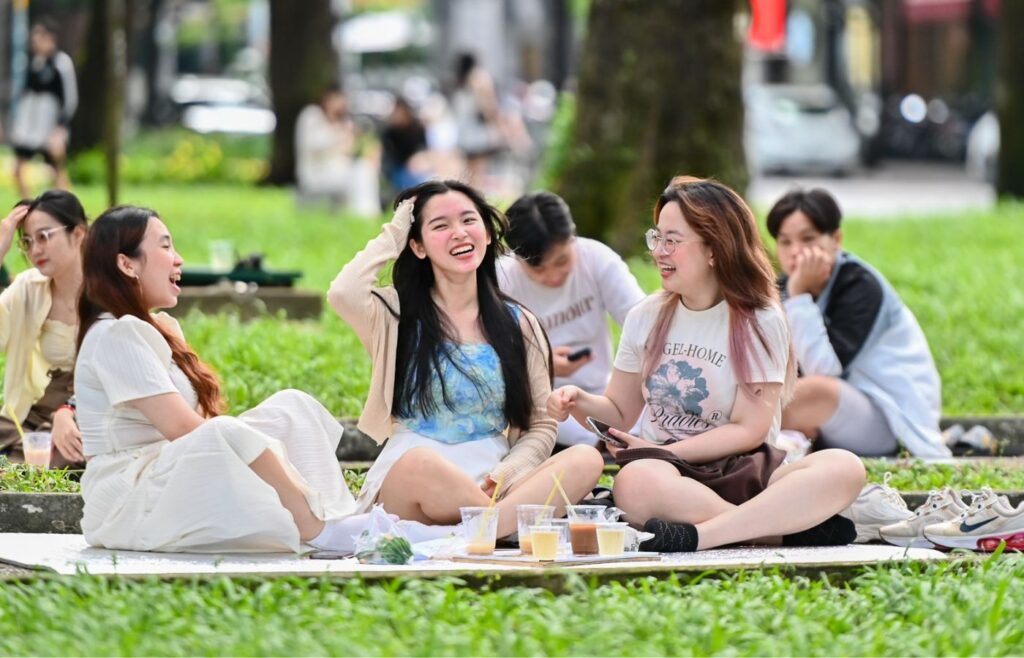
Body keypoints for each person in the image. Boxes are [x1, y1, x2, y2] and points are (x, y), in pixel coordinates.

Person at [548, 176, 866, 552]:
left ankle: (703, 536)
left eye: (672, 241)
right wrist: (578, 401)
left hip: (743, 471)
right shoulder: (645, 316)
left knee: (845, 467)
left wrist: (664, 451)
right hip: (669, 477)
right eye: (657, 238)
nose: (659, 252)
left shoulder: (759, 320)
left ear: (714, 248)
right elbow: (619, 411)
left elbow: (748, 430)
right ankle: (775, 528)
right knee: (633, 483)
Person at [74, 205, 389, 553]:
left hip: (168, 473)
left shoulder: (152, 328)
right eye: (165, 247)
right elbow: (183, 428)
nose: (178, 260)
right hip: (128, 500)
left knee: (290, 408)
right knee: (225, 431)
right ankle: (315, 529)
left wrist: (262, 447)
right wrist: (261, 451)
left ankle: (334, 517)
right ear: (126, 264)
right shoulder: (114, 334)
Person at [328, 180, 604, 538]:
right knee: (422, 465)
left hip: (492, 479)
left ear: (487, 235)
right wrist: (396, 231)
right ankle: (496, 529)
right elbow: (343, 292)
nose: (459, 233)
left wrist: (510, 471)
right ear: (418, 246)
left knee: (586, 458)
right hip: (415, 479)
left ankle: (471, 532)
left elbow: (541, 424)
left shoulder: (518, 324)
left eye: (468, 220)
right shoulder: (394, 313)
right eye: (440, 226)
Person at [765, 188, 948, 458]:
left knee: (813, 391)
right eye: (785, 242)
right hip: (834, 417)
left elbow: (824, 371)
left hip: (892, 420)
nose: (796, 252)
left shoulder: (859, 285)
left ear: (836, 239)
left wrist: (800, 296)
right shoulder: (782, 288)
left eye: (808, 239)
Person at [497, 191, 645, 448]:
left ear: (572, 237)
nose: (553, 277)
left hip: (600, 392)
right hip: (541, 401)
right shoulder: (502, 280)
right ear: (516, 257)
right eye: (538, 269)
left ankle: (611, 442)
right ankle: (607, 444)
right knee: (545, 426)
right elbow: (488, 355)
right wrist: (541, 362)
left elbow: (644, 326)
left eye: (562, 261)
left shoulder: (596, 259)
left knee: (651, 415)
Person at [0, 190, 87, 467]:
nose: (35, 249)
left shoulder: (110, 290)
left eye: (44, 236)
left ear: (78, 234)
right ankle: (23, 456)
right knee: (34, 450)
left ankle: (23, 461)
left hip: (86, 413)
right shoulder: (28, 288)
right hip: (28, 415)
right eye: (26, 241)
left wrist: (68, 411)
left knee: (67, 449)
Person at [9, 19, 78, 199]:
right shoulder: (34, 63)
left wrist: (60, 128)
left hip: (50, 126)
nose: (35, 40)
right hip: (30, 127)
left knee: (56, 169)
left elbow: (69, 98)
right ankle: (28, 205)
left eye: (40, 35)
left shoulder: (61, 63)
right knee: (18, 169)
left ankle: (68, 208)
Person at [294, 84, 378, 215]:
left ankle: (367, 212)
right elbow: (314, 145)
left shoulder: (343, 122)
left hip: (338, 171)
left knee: (364, 167)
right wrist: (339, 132)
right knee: (360, 172)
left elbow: (348, 152)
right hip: (315, 174)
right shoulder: (312, 115)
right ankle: (365, 214)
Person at [451, 53, 503, 187]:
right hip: (477, 132)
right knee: (479, 173)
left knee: (469, 173)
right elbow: (489, 107)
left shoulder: (459, 81)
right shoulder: (479, 79)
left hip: (464, 133)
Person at [380, 96, 430, 194]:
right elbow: (388, 156)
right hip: (397, 169)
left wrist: (417, 160)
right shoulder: (390, 133)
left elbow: (423, 150)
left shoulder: (417, 130)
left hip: (416, 166)